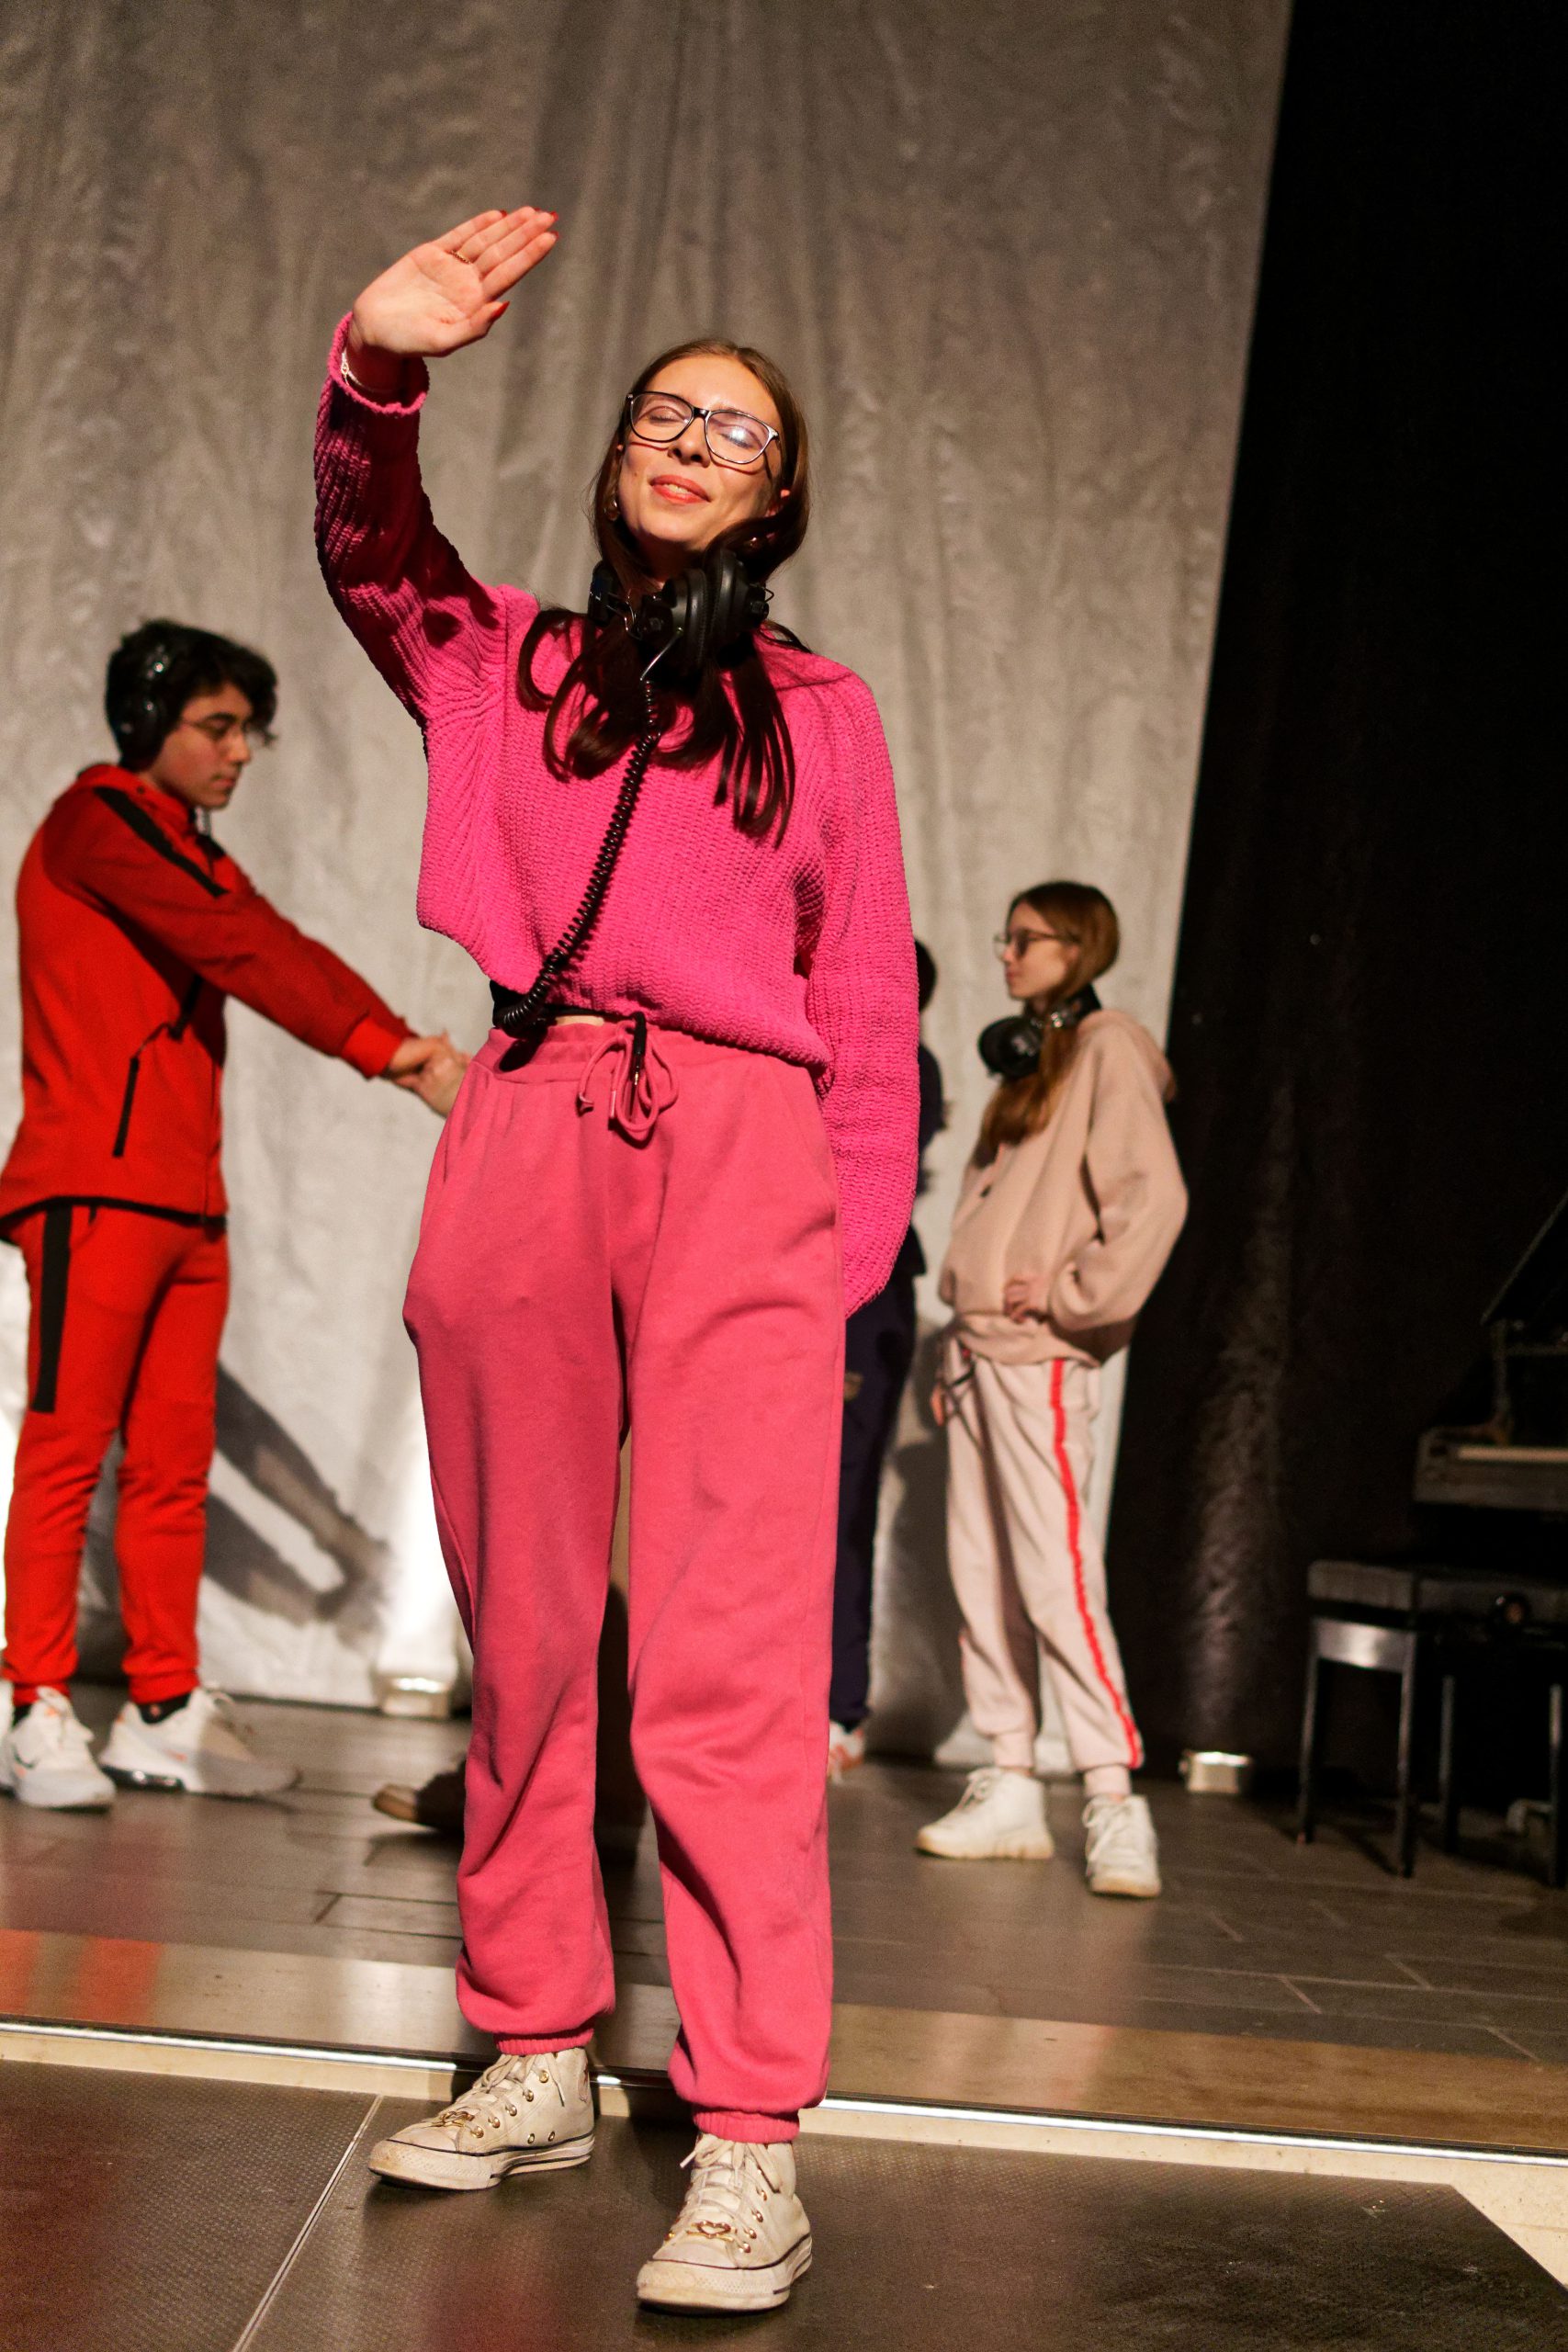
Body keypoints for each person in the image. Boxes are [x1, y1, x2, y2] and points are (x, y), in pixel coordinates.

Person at [314, 208, 917, 2312]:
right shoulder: (507, 657)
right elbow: (371, 550)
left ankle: (745, 2128)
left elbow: (863, 1008)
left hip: (742, 1144)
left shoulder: (820, 712)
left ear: (779, 495)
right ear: (614, 450)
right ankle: (533, 2045)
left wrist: (837, 1270)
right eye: (665, 411)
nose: (687, 441)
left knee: (725, 1662)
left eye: (732, 430)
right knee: (528, 1628)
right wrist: (377, 370)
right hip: (531, 1108)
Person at [0, 621, 465, 1813]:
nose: (240, 751)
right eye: (216, 726)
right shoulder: (96, 821)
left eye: (247, 730)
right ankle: (28, 1699)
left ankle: (161, 1707)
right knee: (66, 1450)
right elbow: (241, 947)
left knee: (171, 1466)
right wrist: (393, 1050)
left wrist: (397, 1044)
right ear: (146, 723)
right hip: (93, 1192)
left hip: (185, 1202)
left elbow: (270, 943)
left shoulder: (183, 844)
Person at [918, 882, 1185, 1897]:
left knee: (1056, 1580)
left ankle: (1114, 1800)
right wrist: (957, 1338)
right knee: (982, 1579)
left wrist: (1076, 1297)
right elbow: (990, 1209)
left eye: (1026, 939)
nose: (1007, 953)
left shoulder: (1109, 1046)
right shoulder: (1033, 1057)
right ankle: (1012, 1782)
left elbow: (1152, 1199)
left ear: (1078, 947)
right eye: (1006, 937)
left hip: (1038, 1358)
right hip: (978, 1356)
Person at [828, 940, 942, 1778]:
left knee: (839, 1503)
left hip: (859, 1302)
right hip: (810, 1285)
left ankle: (837, 1708)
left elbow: (867, 1184)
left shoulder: (905, 1066)